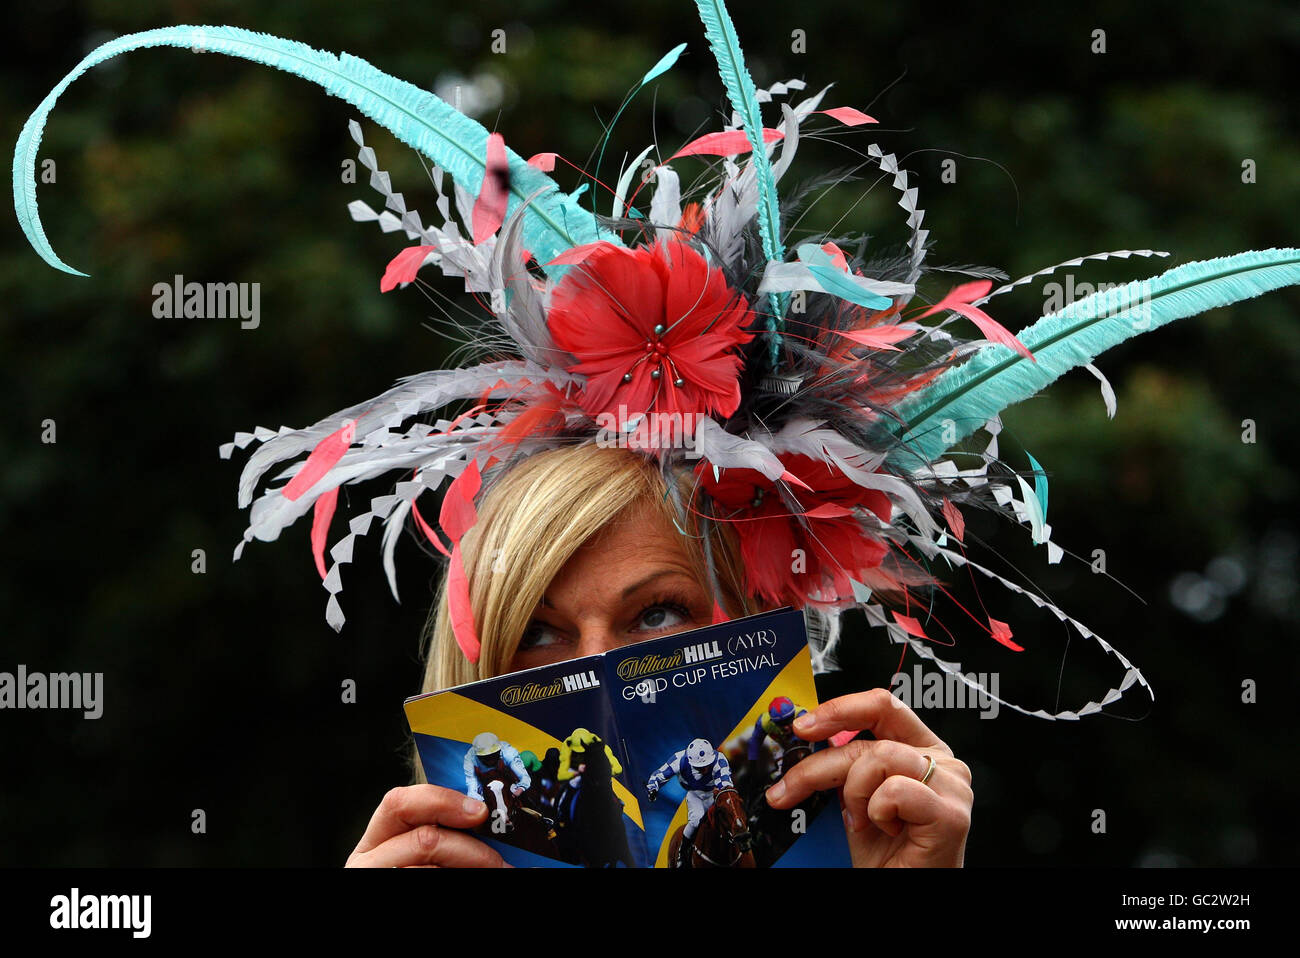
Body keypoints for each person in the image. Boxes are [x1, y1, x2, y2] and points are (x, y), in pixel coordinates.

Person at [345, 444, 974, 868]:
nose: (595, 671)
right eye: (537, 633)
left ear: (754, 627)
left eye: (657, 614)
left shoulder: (848, 839)